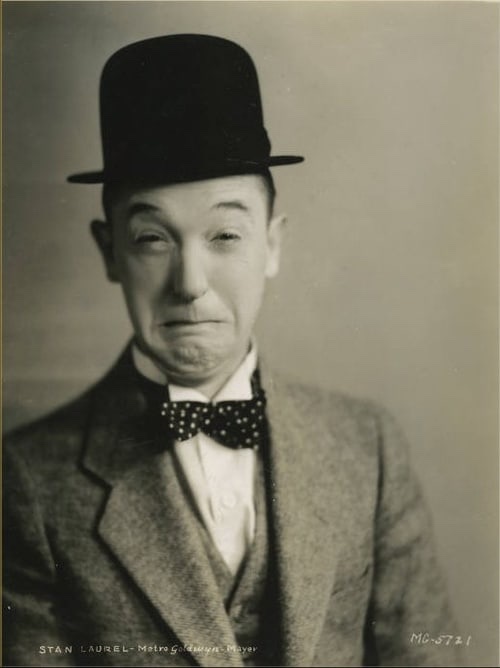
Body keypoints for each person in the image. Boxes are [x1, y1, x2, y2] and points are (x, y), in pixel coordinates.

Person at [3, 34, 459, 667]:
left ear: (272, 245)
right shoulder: (28, 481)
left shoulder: (367, 447)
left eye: (225, 235)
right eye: (153, 238)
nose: (190, 283)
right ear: (110, 252)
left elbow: (432, 654)